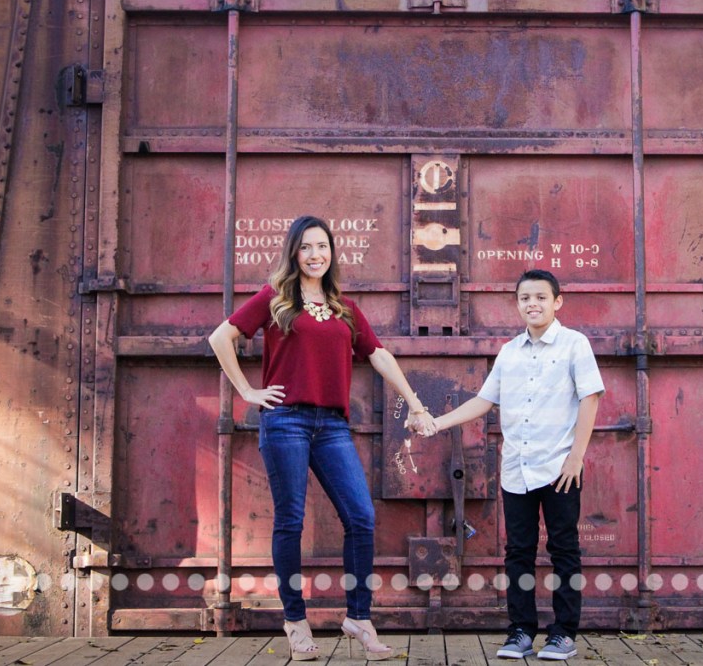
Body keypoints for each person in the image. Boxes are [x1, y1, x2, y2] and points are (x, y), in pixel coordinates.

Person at [208, 215, 434, 662]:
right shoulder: (276, 299)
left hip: (331, 425)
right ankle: (295, 621)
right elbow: (221, 337)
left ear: (332, 253)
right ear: (294, 253)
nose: (316, 254)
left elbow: (379, 354)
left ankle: (358, 619)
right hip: (285, 421)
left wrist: (415, 401)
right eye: (307, 247)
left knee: (361, 516)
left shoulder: (344, 307)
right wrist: (247, 391)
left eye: (323, 246)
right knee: (290, 520)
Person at [425, 269, 604, 661]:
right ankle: (521, 630)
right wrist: (437, 422)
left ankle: (563, 633)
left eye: (541, 297)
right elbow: (484, 402)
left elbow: (590, 398)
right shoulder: (509, 352)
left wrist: (576, 458)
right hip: (517, 470)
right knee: (518, 552)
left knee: (564, 549)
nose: (533, 304)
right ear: (518, 303)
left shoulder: (575, 344)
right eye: (525, 298)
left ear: (557, 302)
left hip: (560, 468)